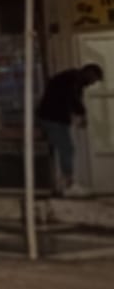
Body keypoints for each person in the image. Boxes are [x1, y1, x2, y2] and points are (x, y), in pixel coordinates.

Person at [36, 63, 104, 198]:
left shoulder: (73, 79)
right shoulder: (72, 79)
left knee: (62, 150)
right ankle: (68, 185)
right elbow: (72, 98)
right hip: (52, 118)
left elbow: (71, 99)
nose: (92, 83)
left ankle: (61, 185)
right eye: (94, 80)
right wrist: (81, 113)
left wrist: (79, 113)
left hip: (54, 118)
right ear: (89, 73)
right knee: (66, 149)